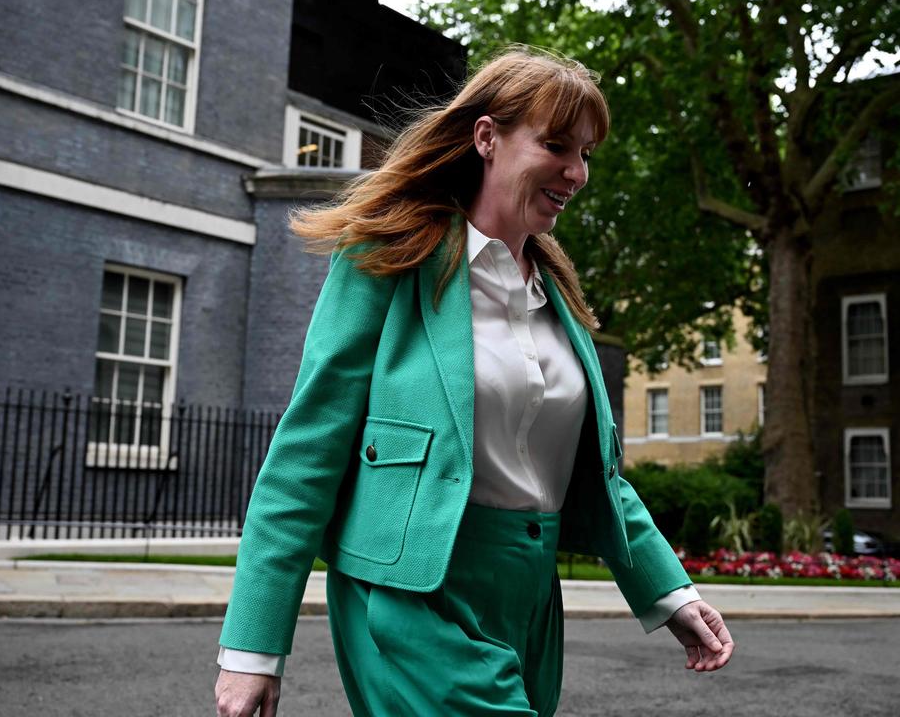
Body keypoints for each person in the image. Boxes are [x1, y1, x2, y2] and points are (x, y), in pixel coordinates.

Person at [215, 47, 734, 717]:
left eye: (585, 153)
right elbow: (307, 451)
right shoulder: (388, 256)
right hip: (412, 591)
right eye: (555, 145)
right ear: (486, 137)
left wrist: (671, 596)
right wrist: (252, 648)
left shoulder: (557, 294)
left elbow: (597, 477)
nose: (576, 172)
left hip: (529, 594)